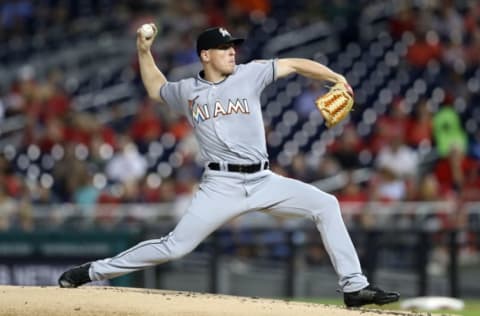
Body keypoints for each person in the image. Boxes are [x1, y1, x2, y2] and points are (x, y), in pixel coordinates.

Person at [58, 25, 400, 308]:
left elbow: (295, 64)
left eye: (233, 46)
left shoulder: (250, 74)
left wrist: (335, 76)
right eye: (224, 48)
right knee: (175, 246)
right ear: (205, 55)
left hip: (264, 179)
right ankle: (91, 272)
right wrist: (144, 50)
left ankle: (354, 287)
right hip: (220, 184)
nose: (232, 51)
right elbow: (155, 88)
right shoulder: (188, 91)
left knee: (326, 204)